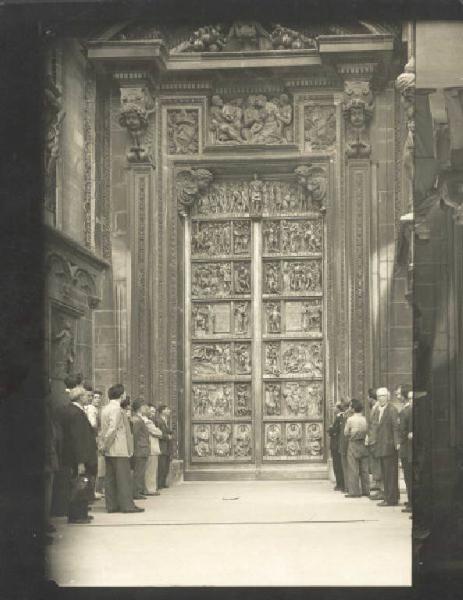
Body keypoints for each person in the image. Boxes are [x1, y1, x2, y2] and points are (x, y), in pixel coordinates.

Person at [100, 384, 144, 513]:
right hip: (119, 447)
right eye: (124, 393)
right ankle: (127, 505)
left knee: (111, 478)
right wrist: (106, 445)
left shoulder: (105, 408)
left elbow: (105, 429)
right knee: (124, 478)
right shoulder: (117, 409)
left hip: (110, 449)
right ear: (121, 395)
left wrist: (104, 445)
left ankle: (112, 505)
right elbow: (113, 429)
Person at [61, 386, 98, 523]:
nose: (88, 397)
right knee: (80, 484)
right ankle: (77, 516)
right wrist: (80, 461)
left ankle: (81, 513)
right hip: (79, 457)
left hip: (77, 456)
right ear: (79, 397)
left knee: (81, 484)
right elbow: (77, 439)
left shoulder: (72, 410)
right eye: (85, 395)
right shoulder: (76, 413)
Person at [374, 387, 400, 506]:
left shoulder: (392, 410)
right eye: (379, 396)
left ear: (388, 397)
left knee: (390, 474)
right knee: (386, 473)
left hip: (389, 447)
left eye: (383, 396)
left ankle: (391, 499)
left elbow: (396, 427)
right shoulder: (379, 410)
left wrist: (396, 443)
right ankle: (390, 496)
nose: (380, 398)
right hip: (382, 446)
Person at [344, 399, 370, 498]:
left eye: (351, 406)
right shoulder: (364, 419)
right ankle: (366, 490)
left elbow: (346, 433)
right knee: (364, 469)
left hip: (353, 444)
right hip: (363, 444)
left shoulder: (350, 419)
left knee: (353, 468)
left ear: (353, 408)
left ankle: (354, 491)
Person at [131, 399, 151, 500]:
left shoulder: (138, 419)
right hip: (139, 449)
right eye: (144, 406)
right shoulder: (137, 420)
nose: (146, 408)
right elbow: (135, 435)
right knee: (138, 472)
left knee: (140, 471)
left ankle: (139, 490)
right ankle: (136, 492)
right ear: (140, 408)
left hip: (141, 448)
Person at [141, 404, 162, 496]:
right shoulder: (147, 422)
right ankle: (150, 489)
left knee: (148, 469)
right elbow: (158, 432)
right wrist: (157, 431)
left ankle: (148, 488)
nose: (152, 413)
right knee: (151, 469)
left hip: (149, 447)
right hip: (152, 447)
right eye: (151, 411)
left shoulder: (145, 421)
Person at [365, 388, 383, 497]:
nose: (367, 399)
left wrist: (372, 439)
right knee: (375, 465)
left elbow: (375, 426)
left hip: (375, 441)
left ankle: (381, 489)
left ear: (372, 398)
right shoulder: (375, 408)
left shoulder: (377, 409)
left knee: (378, 465)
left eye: (368, 397)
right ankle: (378, 486)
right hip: (373, 440)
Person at [399, 390, 413, 513]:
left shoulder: (406, 412)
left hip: (408, 450)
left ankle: (412, 503)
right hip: (409, 450)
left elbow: (402, 432)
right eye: (410, 398)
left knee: (410, 477)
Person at [328, 402, 345, 491]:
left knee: (337, 465)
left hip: (336, 444)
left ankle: (340, 484)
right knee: (338, 465)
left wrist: (330, 429)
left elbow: (334, 431)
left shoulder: (339, 418)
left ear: (338, 408)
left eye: (334, 406)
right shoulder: (341, 417)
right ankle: (341, 483)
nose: (333, 408)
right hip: (338, 444)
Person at [156, 405, 174, 489]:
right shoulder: (158, 421)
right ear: (162, 411)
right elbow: (158, 433)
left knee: (165, 465)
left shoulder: (165, 420)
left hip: (166, 446)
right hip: (162, 446)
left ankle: (162, 482)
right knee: (162, 466)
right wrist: (167, 436)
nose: (169, 411)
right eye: (167, 409)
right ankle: (159, 484)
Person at [337, 399, 352, 492]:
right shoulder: (346, 415)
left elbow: (344, 433)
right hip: (345, 444)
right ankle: (348, 486)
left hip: (345, 444)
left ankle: (348, 487)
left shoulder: (347, 416)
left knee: (346, 467)